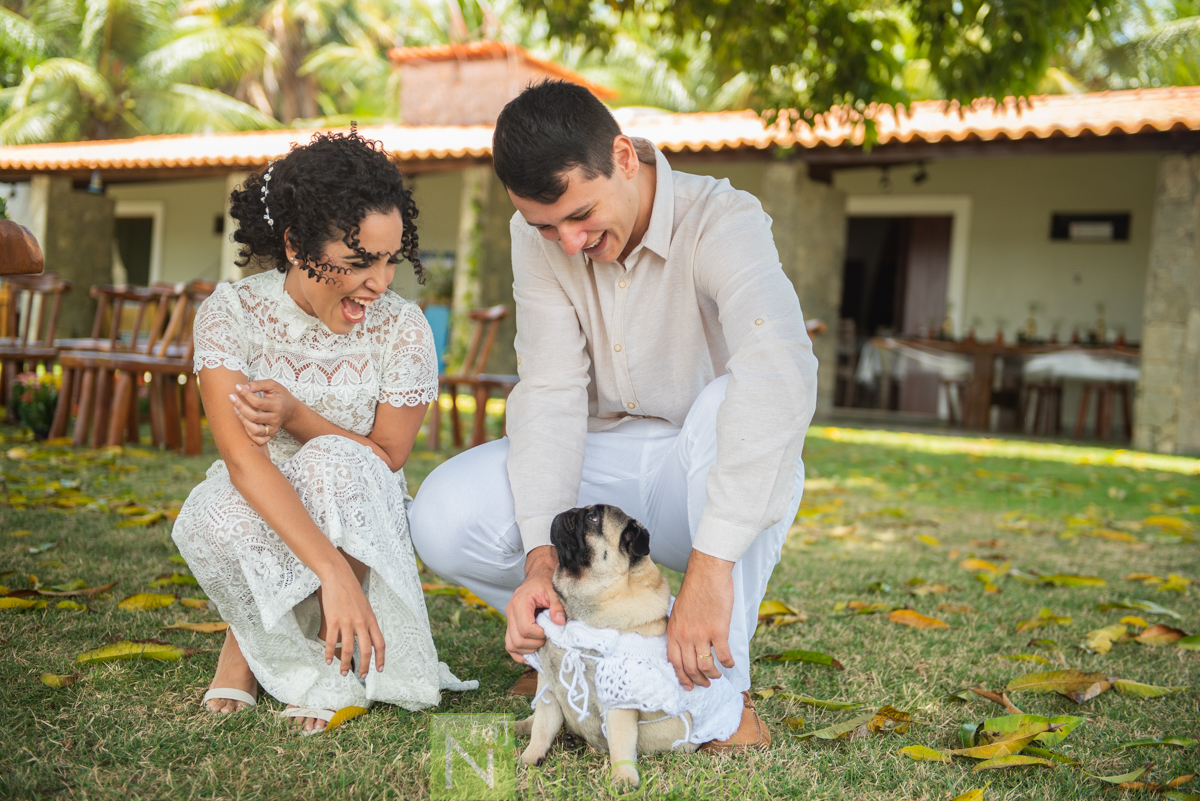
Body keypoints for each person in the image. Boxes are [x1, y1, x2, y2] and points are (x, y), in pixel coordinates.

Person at [409, 81, 816, 750]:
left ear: (624, 156)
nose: (567, 242)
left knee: (735, 400)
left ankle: (717, 695)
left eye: (580, 214)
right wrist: (541, 563)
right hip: (602, 465)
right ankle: (574, 650)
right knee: (441, 514)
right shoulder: (535, 234)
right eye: (546, 226)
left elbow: (782, 371)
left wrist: (709, 576)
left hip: (704, 475)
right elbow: (550, 391)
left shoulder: (724, 217)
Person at [172, 131, 475, 735]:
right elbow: (242, 461)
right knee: (212, 512)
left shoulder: (403, 330)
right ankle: (252, 642)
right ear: (295, 244)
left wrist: (299, 415)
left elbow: (386, 456)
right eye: (361, 261)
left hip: (357, 497)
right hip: (264, 495)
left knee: (332, 458)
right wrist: (330, 577)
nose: (381, 282)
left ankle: (336, 657)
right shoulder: (231, 314)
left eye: (391, 259)